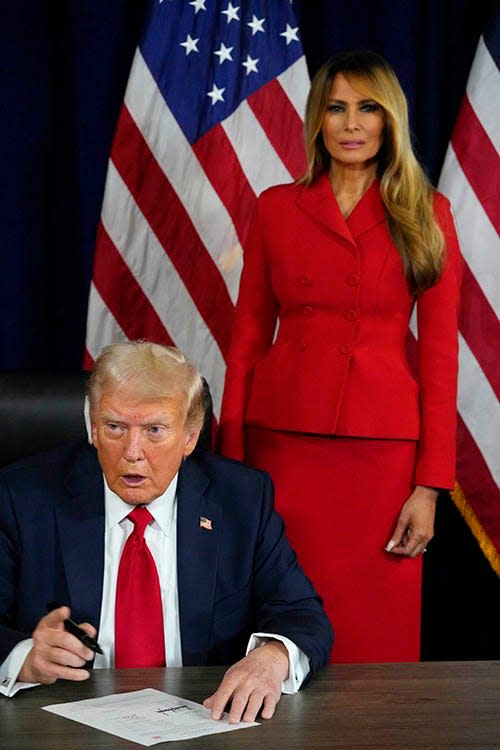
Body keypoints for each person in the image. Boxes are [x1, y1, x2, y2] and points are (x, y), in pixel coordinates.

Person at [218, 50, 462, 663]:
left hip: (382, 455)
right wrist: (230, 463)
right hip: (282, 446)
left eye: (368, 108)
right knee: (277, 610)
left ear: (390, 121)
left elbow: (438, 356)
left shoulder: (428, 212)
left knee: (376, 626)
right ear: (317, 121)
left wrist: (430, 485)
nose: (352, 123)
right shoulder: (276, 207)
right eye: (337, 107)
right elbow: (246, 341)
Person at [0, 341, 333, 720]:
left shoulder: (240, 500)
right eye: (114, 427)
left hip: (202, 719)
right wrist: (22, 656)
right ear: (92, 427)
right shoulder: (23, 497)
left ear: (190, 436)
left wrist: (272, 657)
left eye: (155, 430)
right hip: (62, 723)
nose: (133, 451)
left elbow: (301, 613)